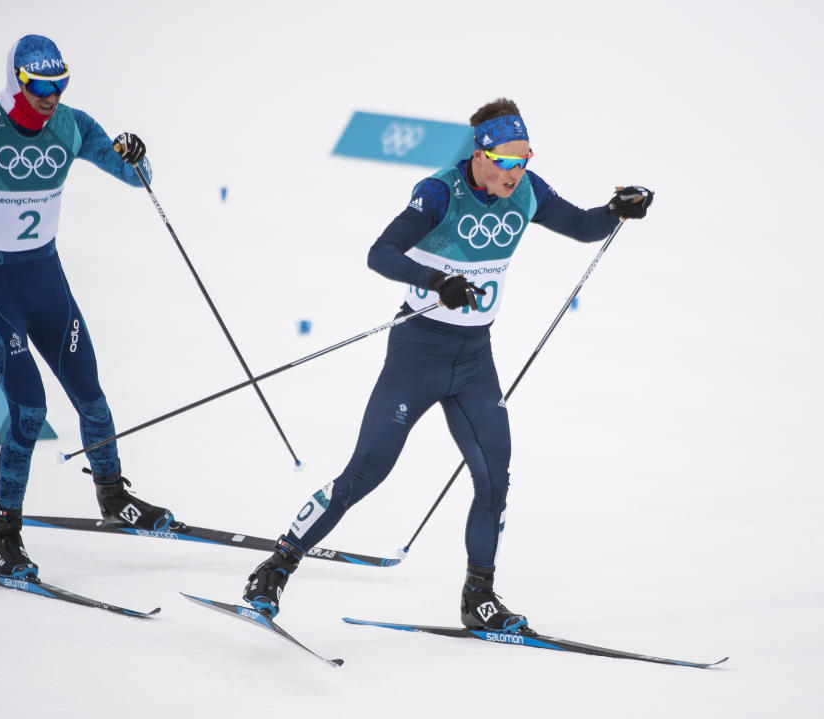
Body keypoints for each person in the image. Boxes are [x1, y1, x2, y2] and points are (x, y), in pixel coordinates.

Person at [242, 98, 653, 632]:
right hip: (418, 352)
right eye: (506, 162)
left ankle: (478, 598)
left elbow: (580, 226)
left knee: (494, 479)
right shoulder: (440, 192)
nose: (517, 171)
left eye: (525, 158)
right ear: (480, 155)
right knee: (367, 470)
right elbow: (380, 253)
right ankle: (275, 567)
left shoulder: (527, 189)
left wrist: (618, 209)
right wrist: (438, 281)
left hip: (475, 361)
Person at [0, 35, 175, 580]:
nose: (51, 96)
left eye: (59, 84)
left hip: (46, 277)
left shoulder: (71, 125)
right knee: (29, 410)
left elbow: (135, 178)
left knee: (91, 394)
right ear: (16, 82)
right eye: (40, 86)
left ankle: (114, 496)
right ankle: (5, 535)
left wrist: (137, 156)